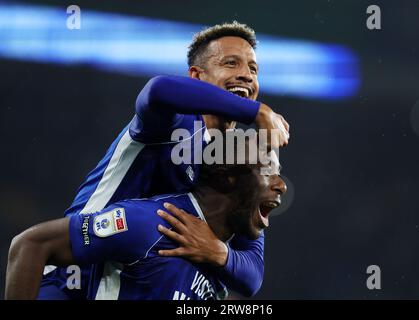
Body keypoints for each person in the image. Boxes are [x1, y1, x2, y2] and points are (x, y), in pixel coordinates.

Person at [38, 21, 290, 299]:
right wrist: (256, 110)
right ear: (196, 77)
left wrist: (218, 252)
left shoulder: (235, 158)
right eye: (231, 64)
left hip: (135, 283)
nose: (246, 75)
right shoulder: (173, 120)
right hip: (76, 273)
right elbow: (157, 90)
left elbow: (252, 273)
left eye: (253, 69)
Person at [6, 150, 287, 300]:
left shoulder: (230, 250)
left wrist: (217, 253)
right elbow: (30, 244)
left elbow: (253, 280)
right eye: (268, 171)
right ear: (229, 177)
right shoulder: (152, 222)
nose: (282, 185)